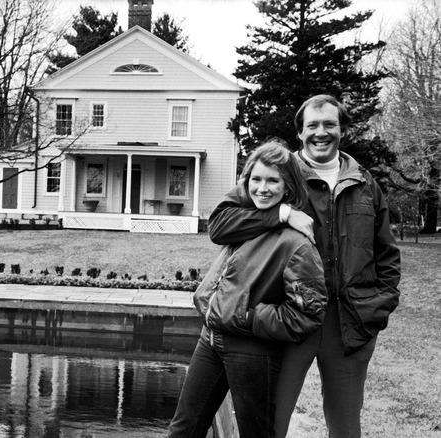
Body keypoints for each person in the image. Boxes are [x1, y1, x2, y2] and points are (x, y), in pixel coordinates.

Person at [207, 94, 401, 438]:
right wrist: (281, 212)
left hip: (350, 325)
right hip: (289, 321)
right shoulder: (281, 173)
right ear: (300, 131)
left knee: (345, 427)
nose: (321, 132)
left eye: (329, 124)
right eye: (312, 125)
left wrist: (378, 309)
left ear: (341, 129)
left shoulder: (365, 183)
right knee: (271, 424)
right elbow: (221, 224)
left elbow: (387, 254)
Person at [167, 141, 328, 438]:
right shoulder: (247, 220)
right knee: (183, 430)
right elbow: (218, 225)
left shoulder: (298, 244)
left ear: (288, 187)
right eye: (256, 179)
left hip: (252, 350)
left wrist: (250, 318)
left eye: (272, 180)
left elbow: (307, 315)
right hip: (211, 340)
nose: (262, 188)